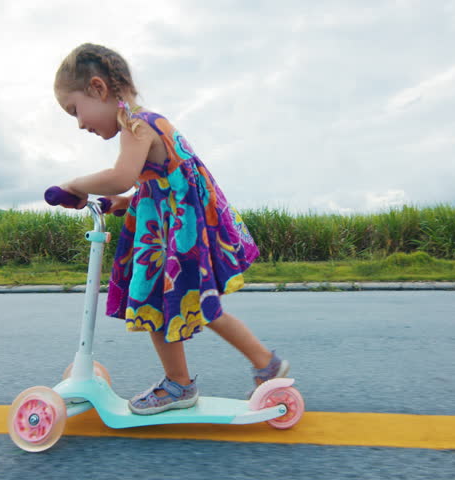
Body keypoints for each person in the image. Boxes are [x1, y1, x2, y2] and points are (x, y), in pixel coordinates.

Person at [52, 43, 289, 415]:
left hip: (174, 244)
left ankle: (179, 384)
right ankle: (266, 362)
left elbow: (121, 176)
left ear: (98, 89)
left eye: (75, 110)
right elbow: (163, 186)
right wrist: (127, 203)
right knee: (204, 308)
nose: (80, 123)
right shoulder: (151, 123)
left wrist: (75, 184)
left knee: (155, 304)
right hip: (180, 235)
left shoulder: (136, 124)